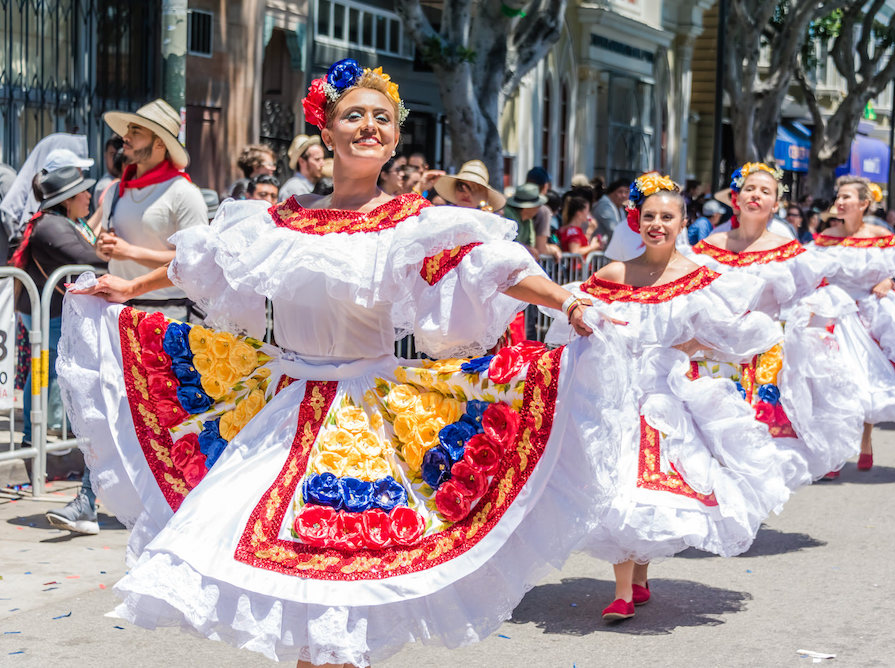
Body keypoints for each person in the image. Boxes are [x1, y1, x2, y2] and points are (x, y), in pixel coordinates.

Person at [59, 57, 626, 668]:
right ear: (326, 131)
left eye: (382, 118)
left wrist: (567, 298)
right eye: (354, 115)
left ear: (395, 138)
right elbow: (204, 264)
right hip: (277, 409)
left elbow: (494, 267)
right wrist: (127, 290)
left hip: (364, 417)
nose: (369, 127)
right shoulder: (282, 219)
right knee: (259, 570)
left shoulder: (412, 223)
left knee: (344, 592)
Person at [545, 172, 800, 620]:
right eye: (649, 216)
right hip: (615, 395)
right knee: (618, 484)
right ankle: (623, 589)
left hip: (668, 397)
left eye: (667, 216)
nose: (657, 224)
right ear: (635, 220)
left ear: (684, 222)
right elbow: (573, 325)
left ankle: (638, 577)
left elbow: (735, 331)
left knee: (652, 489)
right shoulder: (612, 272)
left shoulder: (702, 277)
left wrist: (691, 347)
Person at [687, 163, 864, 481]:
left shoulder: (789, 251)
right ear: (736, 198)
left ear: (775, 204)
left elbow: (806, 300)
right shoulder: (709, 247)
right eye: (750, 188)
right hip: (715, 352)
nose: (756, 195)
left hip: (764, 354)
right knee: (714, 436)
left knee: (754, 435)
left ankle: (745, 506)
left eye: (765, 191)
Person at [808, 176, 895, 471]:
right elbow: (805, 268)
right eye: (838, 196)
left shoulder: (879, 235)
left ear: (864, 204)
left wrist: (890, 281)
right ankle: (835, 455)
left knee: (866, 381)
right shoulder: (826, 237)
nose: (839, 201)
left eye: (847, 197)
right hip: (833, 314)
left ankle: (865, 441)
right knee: (832, 382)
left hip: (868, 315)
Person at [11, 166, 105, 533]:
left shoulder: (57, 221)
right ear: (67, 198)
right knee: (47, 374)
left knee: (50, 374)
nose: (88, 197)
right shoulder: (51, 226)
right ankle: (38, 438)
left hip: (51, 312)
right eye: (83, 192)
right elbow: (91, 258)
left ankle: (43, 439)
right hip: (47, 314)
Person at [96, 98, 209, 321]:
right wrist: (103, 247)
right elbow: (103, 251)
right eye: (127, 130)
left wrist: (129, 252)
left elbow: (194, 261)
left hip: (167, 315)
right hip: (118, 312)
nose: (125, 137)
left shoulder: (184, 193)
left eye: (135, 131)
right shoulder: (116, 191)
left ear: (160, 144)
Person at [434, 160, 506, 211]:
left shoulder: (489, 224)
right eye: (461, 187)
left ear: (484, 196)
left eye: (474, 189)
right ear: (454, 189)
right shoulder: (442, 215)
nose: (467, 193)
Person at [279, 134, 324, 201]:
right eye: (317, 159)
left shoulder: (311, 186)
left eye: (322, 159)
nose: (322, 164)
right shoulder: (295, 188)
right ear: (302, 161)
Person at [591, 178, 629, 242]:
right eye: (620, 192)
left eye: (627, 192)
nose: (624, 195)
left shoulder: (620, 207)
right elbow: (614, 231)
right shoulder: (604, 205)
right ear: (611, 193)